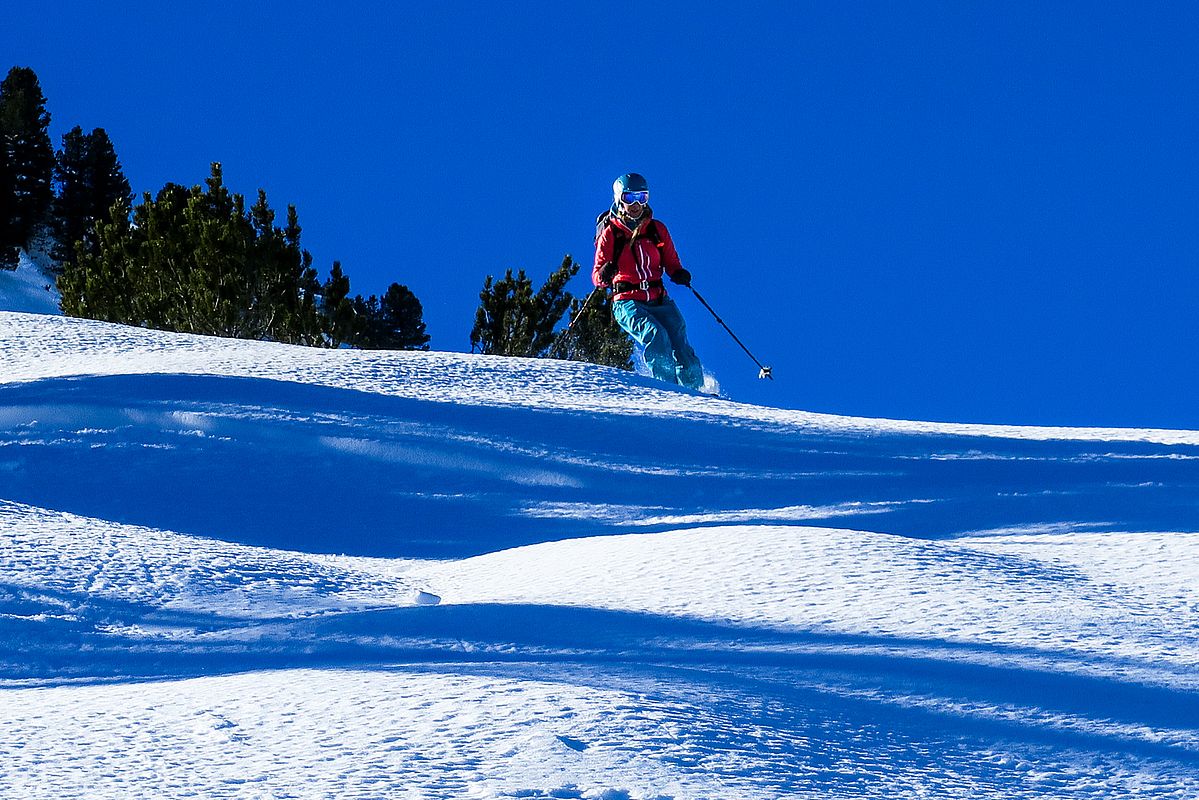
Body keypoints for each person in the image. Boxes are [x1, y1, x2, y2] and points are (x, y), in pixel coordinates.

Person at [593, 173, 704, 390]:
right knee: (656, 335)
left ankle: (695, 391)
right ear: (618, 200)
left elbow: (671, 262)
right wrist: (605, 274)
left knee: (679, 340)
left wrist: (679, 273)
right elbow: (598, 276)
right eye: (629, 198)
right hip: (627, 302)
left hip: (658, 298)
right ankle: (669, 390)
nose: (635, 204)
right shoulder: (611, 234)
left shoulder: (656, 230)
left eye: (641, 197)